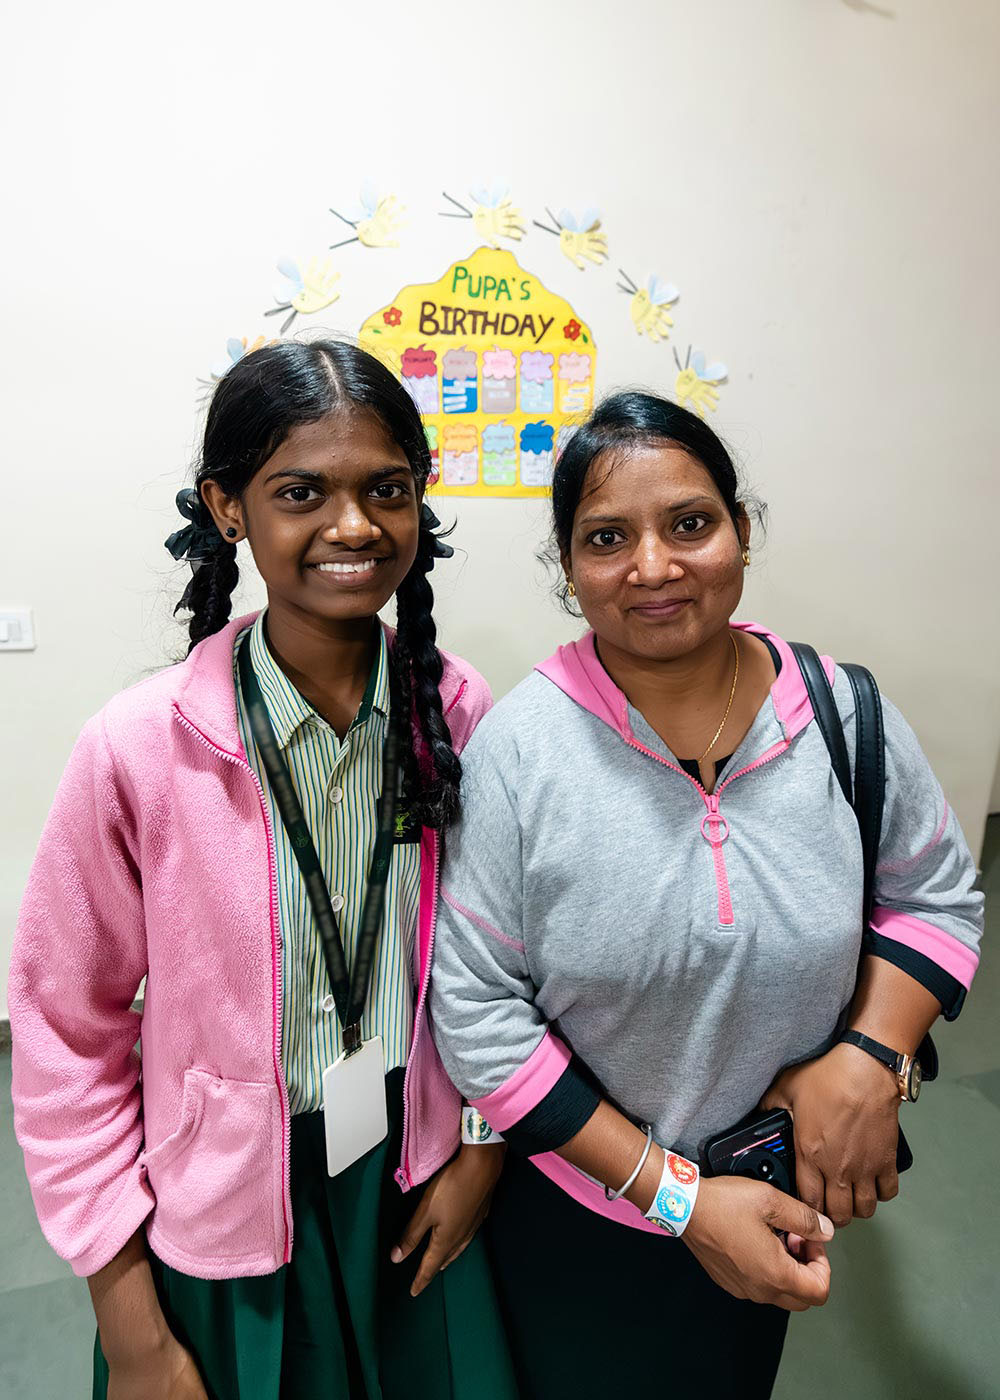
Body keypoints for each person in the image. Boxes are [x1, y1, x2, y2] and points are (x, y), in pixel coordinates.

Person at [429, 391, 984, 1399]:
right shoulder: (519, 752)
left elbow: (935, 895)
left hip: (771, 1182)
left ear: (740, 528)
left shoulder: (840, 711)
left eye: (689, 522)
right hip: (581, 1204)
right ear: (567, 568)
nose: (653, 565)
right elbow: (476, 1011)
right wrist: (681, 1199)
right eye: (607, 537)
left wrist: (868, 1060)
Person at [9, 340, 517, 1400]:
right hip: (221, 1211)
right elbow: (65, 1031)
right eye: (302, 492)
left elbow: (510, 963)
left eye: (385, 489)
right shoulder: (141, 747)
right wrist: (128, 1315)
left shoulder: (459, 714)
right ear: (229, 507)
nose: (352, 526)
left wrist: (480, 1147)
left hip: (413, 1178)